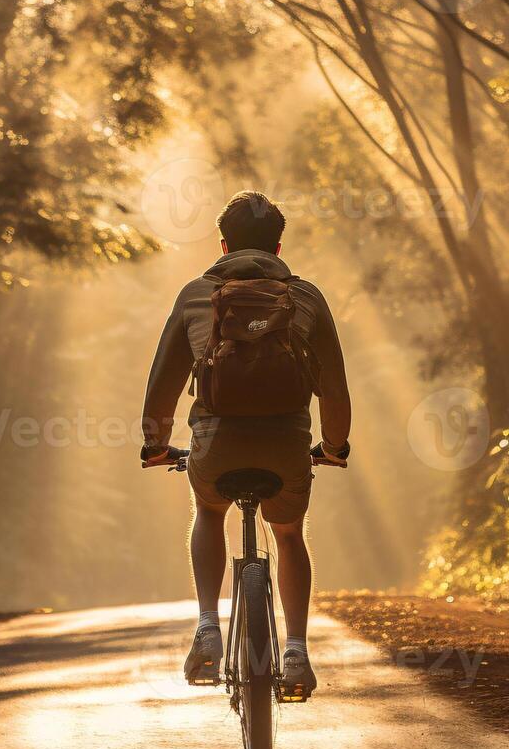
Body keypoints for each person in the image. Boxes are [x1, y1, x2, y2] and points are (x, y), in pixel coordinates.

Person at [140, 190, 351, 697]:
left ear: (222, 243)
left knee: (209, 511)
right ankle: (296, 651)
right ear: (279, 247)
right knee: (289, 534)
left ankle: (208, 626)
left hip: (215, 447)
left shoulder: (195, 294)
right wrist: (335, 446)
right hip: (287, 445)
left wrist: (155, 445)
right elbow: (336, 387)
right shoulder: (306, 296)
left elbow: (162, 384)